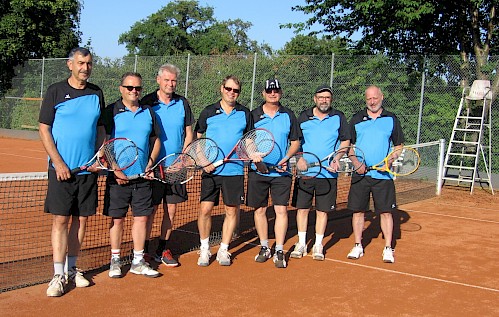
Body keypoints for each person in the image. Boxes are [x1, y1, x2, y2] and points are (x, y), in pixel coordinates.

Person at [39, 47, 106, 297]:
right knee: (60, 221)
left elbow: (100, 129)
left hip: (87, 171)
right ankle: (58, 275)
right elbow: (44, 129)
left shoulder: (96, 93)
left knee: (82, 220)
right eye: (80, 63)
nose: (85, 68)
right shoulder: (55, 91)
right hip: (61, 171)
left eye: (88, 63)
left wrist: (99, 155)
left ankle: (72, 268)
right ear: (70, 64)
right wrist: (58, 162)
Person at [102, 72, 162, 278]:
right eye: (130, 88)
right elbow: (105, 143)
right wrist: (115, 168)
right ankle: (115, 260)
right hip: (117, 178)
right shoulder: (111, 111)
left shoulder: (149, 112)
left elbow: (156, 140)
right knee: (117, 220)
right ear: (121, 89)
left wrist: (150, 164)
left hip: (143, 177)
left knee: (141, 219)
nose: (134, 91)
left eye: (137, 88)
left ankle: (138, 260)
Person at [194, 75, 254, 267]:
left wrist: (254, 154)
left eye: (235, 90)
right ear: (222, 88)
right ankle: (204, 249)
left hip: (234, 170)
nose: (231, 93)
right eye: (228, 89)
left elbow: (249, 140)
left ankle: (224, 249)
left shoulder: (245, 113)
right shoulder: (208, 112)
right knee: (205, 209)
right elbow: (197, 140)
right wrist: (203, 162)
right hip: (211, 171)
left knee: (231, 210)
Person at [141, 64, 194, 267]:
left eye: (173, 81)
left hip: (176, 168)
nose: (170, 84)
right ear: (158, 80)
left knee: (170, 211)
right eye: (167, 80)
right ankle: (144, 250)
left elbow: (189, 132)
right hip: (152, 168)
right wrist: (148, 163)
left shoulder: (182, 103)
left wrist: (183, 157)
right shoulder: (147, 102)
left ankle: (163, 248)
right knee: (150, 210)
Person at [290, 85, 350, 261]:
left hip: (328, 174)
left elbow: (345, 140)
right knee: (302, 209)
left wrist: (338, 157)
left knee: (322, 211)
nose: (324, 100)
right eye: (321, 97)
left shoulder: (338, 117)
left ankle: (317, 244)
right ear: (314, 99)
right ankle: (301, 243)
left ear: (331, 100)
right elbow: (296, 141)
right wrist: (299, 158)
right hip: (306, 173)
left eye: (327, 97)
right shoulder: (303, 117)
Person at [346, 85, 404, 264]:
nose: (372, 102)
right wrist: (356, 163)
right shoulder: (356, 119)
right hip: (361, 175)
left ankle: (388, 248)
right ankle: (358, 245)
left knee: (386, 212)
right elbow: (348, 146)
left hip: (383, 176)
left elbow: (399, 146)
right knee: (358, 211)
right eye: (369, 99)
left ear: (382, 97)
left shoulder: (391, 119)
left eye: (375, 98)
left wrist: (391, 159)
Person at [247, 78, 301, 268]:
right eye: (269, 91)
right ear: (263, 93)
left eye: (276, 90)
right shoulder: (253, 115)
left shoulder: (288, 115)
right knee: (260, 210)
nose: (272, 93)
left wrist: (286, 158)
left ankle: (279, 249)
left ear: (280, 92)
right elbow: (247, 140)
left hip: (281, 173)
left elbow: (295, 142)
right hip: (258, 171)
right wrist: (256, 158)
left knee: (281, 210)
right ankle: (264, 246)